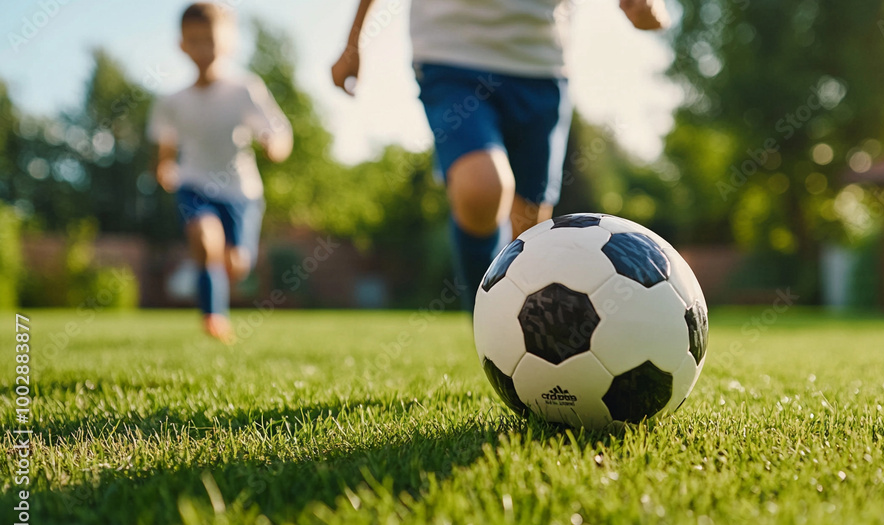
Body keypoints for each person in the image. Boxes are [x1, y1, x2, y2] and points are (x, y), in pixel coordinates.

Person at [332, 0, 669, 307]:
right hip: (450, 55)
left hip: (541, 67)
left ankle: (520, 337)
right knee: (482, 187)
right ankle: (485, 315)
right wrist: (353, 42)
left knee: (530, 237)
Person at [149, 2, 292, 342]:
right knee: (203, 236)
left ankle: (220, 288)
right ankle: (213, 316)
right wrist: (164, 170)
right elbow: (165, 151)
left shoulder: (244, 89)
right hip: (195, 184)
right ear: (182, 45)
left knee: (237, 264)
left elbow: (279, 132)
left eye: (210, 40)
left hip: (241, 192)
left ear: (227, 43)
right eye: (194, 40)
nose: (203, 49)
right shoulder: (172, 102)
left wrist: (274, 146)